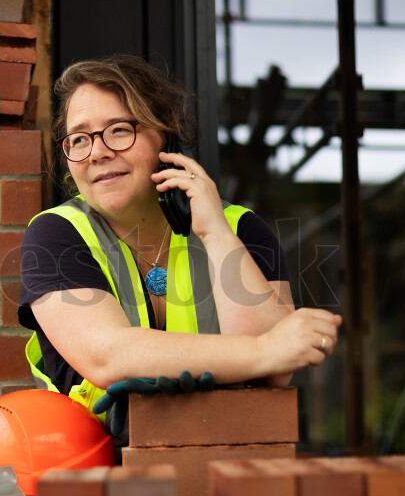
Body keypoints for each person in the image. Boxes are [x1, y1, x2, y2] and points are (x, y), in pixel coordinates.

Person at [18, 54, 341, 436]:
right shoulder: (55, 234)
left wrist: (215, 232)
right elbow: (108, 356)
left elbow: (275, 374)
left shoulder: (240, 228)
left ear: (166, 137)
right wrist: (261, 352)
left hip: (226, 455)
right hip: (94, 464)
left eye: (118, 130)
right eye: (79, 139)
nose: (97, 152)